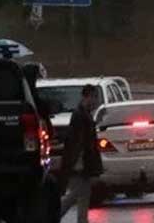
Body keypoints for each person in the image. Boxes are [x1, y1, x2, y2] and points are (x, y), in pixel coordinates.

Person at [60, 84, 104, 223]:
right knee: (75, 194)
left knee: (84, 194)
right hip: (80, 163)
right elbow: (78, 142)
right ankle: (52, 215)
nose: (96, 102)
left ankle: (82, 220)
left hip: (83, 163)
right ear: (88, 97)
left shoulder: (84, 114)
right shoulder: (80, 115)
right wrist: (79, 162)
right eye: (95, 97)